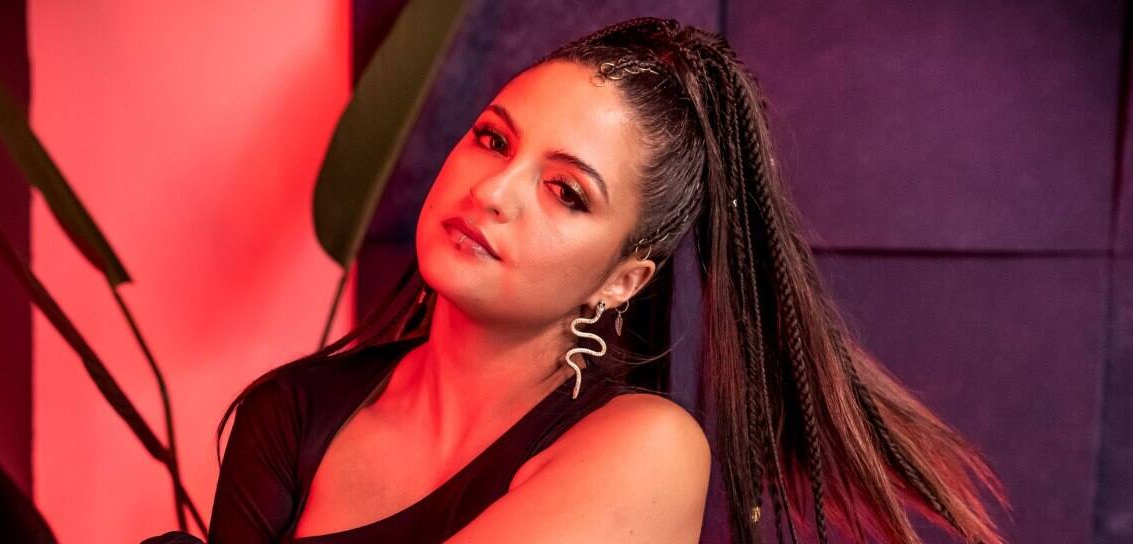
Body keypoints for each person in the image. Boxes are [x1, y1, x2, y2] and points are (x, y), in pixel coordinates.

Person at [145, 16, 1009, 544]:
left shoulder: (643, 450)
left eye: (565, 192)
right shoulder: (292, 412)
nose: (492, 192)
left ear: (624, 279)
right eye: (492, 139)